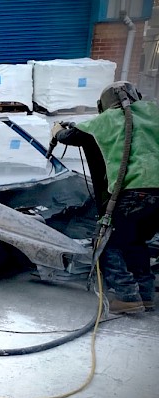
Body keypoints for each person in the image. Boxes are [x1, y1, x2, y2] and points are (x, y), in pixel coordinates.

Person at [50, 81, 159, 314]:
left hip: (135, 192)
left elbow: (70, 136)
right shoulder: (154, 112)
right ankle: (146, 294)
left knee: (107, 242)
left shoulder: (107, 119)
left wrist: (57, 130)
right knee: (135, 241)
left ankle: (127, 296)